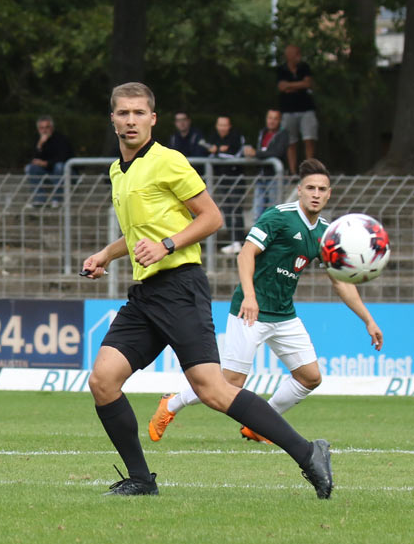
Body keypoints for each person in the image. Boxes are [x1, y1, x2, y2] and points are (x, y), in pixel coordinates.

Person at [81, 81, 332, 499]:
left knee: (212, 389)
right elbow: (139, 233)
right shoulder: (117, 171)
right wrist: (107, 254)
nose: (131, 120)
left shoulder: (168, 161)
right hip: (146, 294)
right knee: (103, 380)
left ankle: (309, 454)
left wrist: (166, 245)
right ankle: (141, 480)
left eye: (139, 113)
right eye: (123, 113)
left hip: (180, 286)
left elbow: (212, 218)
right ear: (113, 119)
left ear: (153, 119)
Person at [150, 159, 383, 444]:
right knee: (229, 383)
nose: (316, 194)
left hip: (284, 315)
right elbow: (245, 254)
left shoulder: (325, 233)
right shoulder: (279, 217)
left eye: (322, 189)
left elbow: (339, 281)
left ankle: (259, 425)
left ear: (329, 194)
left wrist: (368, 320)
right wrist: (250, 296)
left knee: (310, 377)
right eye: (310, 188)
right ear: (299, 190)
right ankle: (171, 403)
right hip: (251, 311)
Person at [207, 115, 247, 254]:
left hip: (236, 180)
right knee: (227, 211)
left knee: (236, 210)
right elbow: (208, 154)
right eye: (220, 125)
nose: (222, 128)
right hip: (222, 180)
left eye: (225, 125)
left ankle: (240, 241)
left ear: (229, 126)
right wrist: (219, 151)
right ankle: (233, 241)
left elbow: (236, 156)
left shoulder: (236, 137)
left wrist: (217, 151)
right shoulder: (213, 137)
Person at [277, 44, 318, 174]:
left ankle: (309, 169)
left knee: (309, 138)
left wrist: (290, 86)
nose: (298, 57)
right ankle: (293, 171)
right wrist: (300, 85)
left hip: (306, 109)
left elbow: (308, 83)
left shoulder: (304, 67)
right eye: (295, 54)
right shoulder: (281, 69)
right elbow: (281, 87)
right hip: (288, 110)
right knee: (291, 142)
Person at [243, 109, 289, 220]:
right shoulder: (262, 133)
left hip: (275, 177)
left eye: (275, 119)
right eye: (270, 118)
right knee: (257, 212)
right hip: (261, 176)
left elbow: (277, 152)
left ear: (280, 121)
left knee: (274, 211)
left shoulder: (283, 134)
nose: (272, 121)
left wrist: (257, 153)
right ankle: (258, 231)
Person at [24, 115, 74, 208]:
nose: (44, 130)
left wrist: (46, 163)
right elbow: (32, 158)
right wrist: (39, 146)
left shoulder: (61, 139)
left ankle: (57, 200)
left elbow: (63, 158)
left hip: (63, 171)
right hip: (46, 171)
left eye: (47, 127)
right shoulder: (37, 140)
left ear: (52, 128)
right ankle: (40, 199)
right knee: (30, 168)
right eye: (42, 128)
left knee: (59, 166)